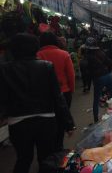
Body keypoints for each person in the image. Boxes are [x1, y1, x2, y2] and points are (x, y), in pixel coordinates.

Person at [0, 33, 75, 173]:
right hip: (46, 121)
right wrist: (68, 123)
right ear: (35, 48)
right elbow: (58, 98)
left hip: (18, 122)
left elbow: (3, 98)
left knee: (23, 159)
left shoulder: (5, 69)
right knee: (46, 159)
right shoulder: (46, 66)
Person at [37, 32, 75, 151]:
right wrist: (71, 90)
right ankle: (59, 147)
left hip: (44, 95)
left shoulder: (37, 55)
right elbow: (71, 75)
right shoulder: (64, 54)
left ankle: (48, 149)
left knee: (47, 122)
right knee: (62, 121)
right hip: (64, 92)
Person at [85, 37, 112, 122]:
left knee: (96, 100)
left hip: (98, 78)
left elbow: (87, 72)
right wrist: (108, 72)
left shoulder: (88, 56)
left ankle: (96, 120)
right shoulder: (101, 52)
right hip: (107, 75)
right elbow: (110, 63)